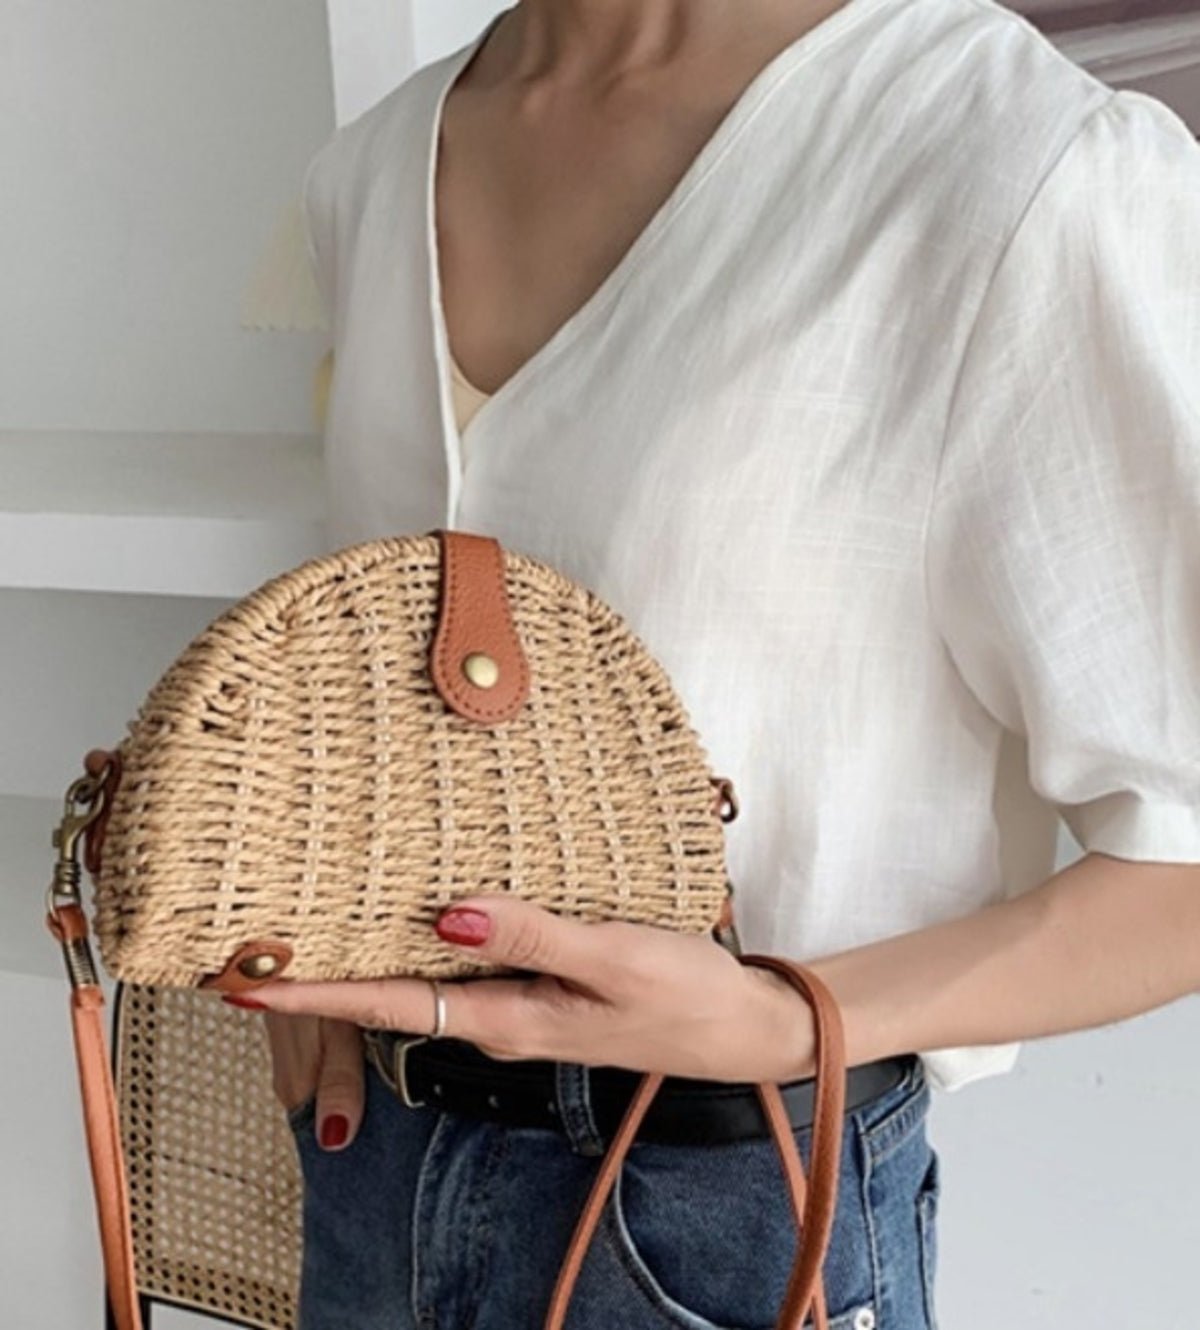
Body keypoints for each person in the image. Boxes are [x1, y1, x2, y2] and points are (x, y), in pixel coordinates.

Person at [228, 0, 1200, 1326]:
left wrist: (785, 1020)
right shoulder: (376, 166)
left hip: (717, 1209)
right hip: (371, 1175)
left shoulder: (1013, 160)